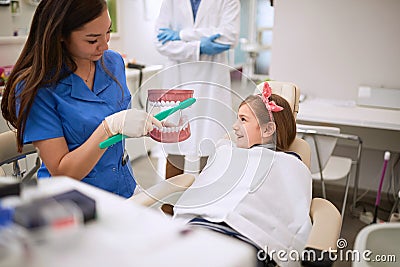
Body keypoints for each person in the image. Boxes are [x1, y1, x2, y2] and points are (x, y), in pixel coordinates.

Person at [0, 0, 162, 198]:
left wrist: (148, 125)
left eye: (108, 32)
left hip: (123, 187)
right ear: (60, 35)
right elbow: (61, 172)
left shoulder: (113, 62)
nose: (104, 45)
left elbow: (119, 124)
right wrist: (108, 128)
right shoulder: (36, 88)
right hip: (72, 198)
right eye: (92, 40)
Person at [173, 83, 312, 267]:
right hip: (200, 227)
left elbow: (290, 211)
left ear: (268, 130)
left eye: (243, 120)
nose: (234, 126)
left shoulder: (291, 164)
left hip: (250, 240)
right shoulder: (226, 152)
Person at [154, 0, 241, 179]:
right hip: (178, 78)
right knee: (174, 142)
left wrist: (180, 35)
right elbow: (160, 41)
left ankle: (202, 203)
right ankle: (170, 204)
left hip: (211, 78)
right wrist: (199, 46)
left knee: (208, 142)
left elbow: (229, 37)